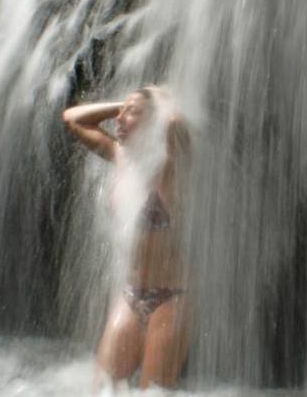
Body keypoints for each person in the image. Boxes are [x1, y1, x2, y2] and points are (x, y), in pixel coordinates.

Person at [62, 86, 191, 389]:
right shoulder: (120, 155)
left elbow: (174, 124)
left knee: (153, 393)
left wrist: (158, 100)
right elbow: (73, 119)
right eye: (120, 113)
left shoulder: (172, 164)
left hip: (172, 298)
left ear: (153, 119)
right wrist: (126, 104)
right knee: (104, 389)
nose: (118, 119)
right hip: (131, 295)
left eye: (129, 114)